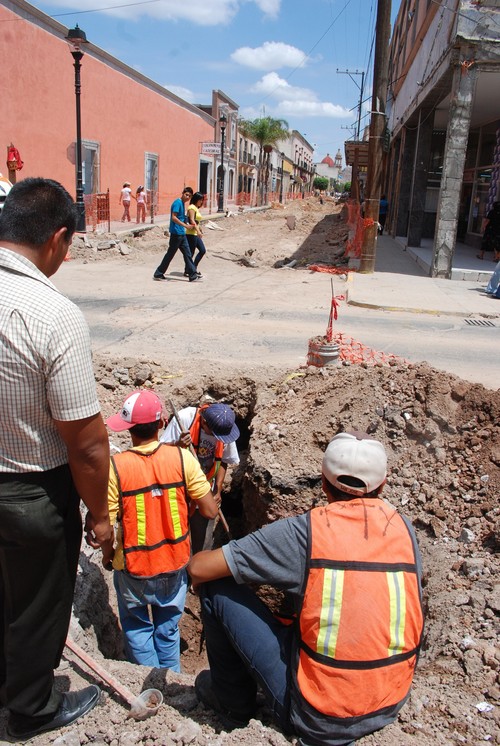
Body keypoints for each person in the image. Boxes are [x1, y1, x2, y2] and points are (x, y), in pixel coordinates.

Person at [189, 431, 424, 746]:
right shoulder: (404, 530)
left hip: (319, 718)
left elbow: (200, 569)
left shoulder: (306, 533)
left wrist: (196, 567)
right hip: (388, 702)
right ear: (382, 486)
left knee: (216, 587)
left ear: (323, 483)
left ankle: (234, 710)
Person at [0, 178, 113, 740]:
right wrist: (101, 515)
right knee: (37, 605)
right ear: (57, 238)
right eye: (68, 246)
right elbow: (87, 444)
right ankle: (31, 707)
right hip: (30, 493)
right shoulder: (52, 314)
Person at [104, 390, 218, 670]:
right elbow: (210, 510)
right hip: (174, 562)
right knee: (168, 629)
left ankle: (149, 682)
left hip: (134, 566)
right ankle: (171, 682)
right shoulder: (182, 458)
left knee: (137, 628)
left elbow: (105, 526)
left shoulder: (116, 467)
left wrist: (108, 554)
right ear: (161, 424)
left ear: (128, 428)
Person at [161, 403, 240, 553]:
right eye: (214, 434)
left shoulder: (224, 429)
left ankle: (199, 565)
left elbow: (224, 460)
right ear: (204, 422)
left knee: (203, 544)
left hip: (205, 491)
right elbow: (160, 452)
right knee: (176, 538)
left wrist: (218, 490)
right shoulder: (185, 419)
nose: (217, 438)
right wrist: (178, 444)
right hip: (178, 490)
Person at [153, 187, 200, 282]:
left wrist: (187, 223)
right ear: (182, 193)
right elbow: (174, 217)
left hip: (181, 233)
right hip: (176, 233)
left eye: (189, 196)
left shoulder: (182, 203)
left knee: (187, 254)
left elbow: (181, 217)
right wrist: (185, 226)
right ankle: (158, 273)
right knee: (170, 254)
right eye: (186, 195)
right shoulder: (177, 203)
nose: (187, 197)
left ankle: (192, 274)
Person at [185, 191, 207, 277]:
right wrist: (198, 231)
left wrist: (199, 229)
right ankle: (189, 271)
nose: (201, 202)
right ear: (196, 199)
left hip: (195, 233)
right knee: (191, 253)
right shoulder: (191, 207)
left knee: (202, 250)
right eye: (200, 200)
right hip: (191, 233)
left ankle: (193, 268)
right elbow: (191, 220)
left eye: (202, 200)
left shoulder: (196, 208)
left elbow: (196, 221)